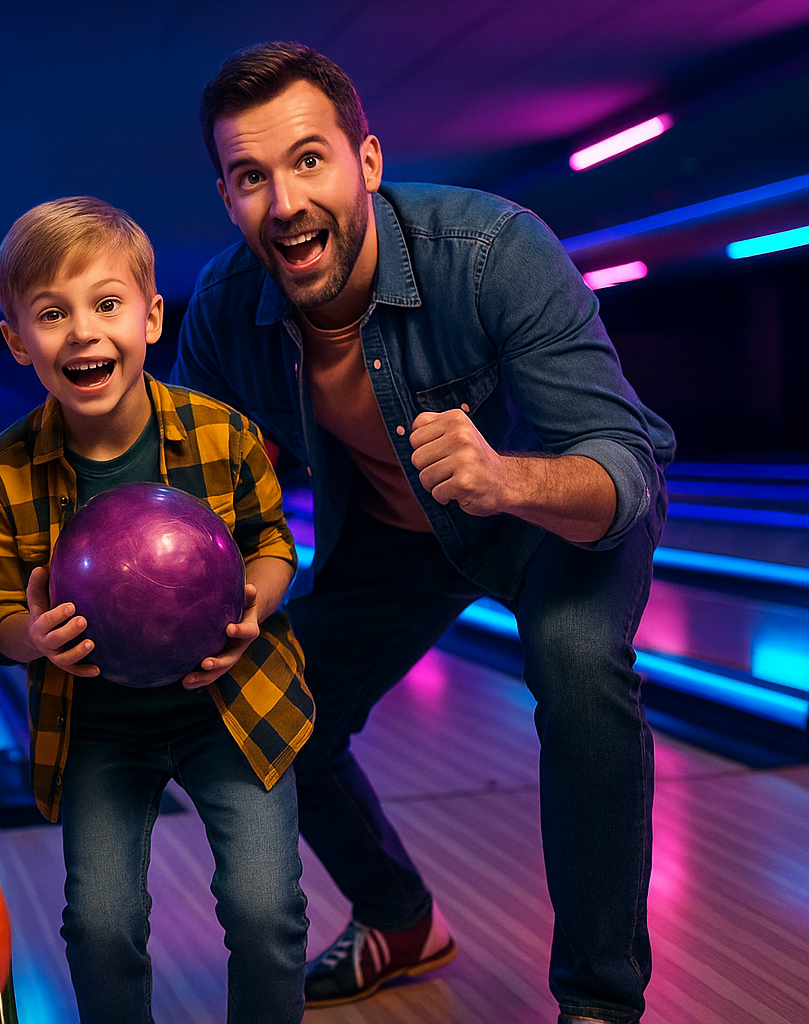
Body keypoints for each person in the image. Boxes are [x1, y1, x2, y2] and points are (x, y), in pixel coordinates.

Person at [173, 42, 675, 1024]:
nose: (284, 203)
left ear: (366, 162)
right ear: (227, 196)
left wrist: (502, 476)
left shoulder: (491, 252)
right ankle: (399, 918)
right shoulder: (229, 311)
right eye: (250, 178)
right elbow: (192, 499)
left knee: (578, 666)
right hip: (398, 539)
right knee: (264, 696)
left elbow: (622, 470)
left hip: (548, 520)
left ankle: (601, 1001)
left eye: (308, 161)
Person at [0, 196, 316, 1024]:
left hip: (231, 708)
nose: (84, 331)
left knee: (267, 913)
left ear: (152, 317)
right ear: (18, 340)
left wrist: (252, 610)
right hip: (96, 724)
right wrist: (36, 636)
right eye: (52, 314)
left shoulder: (224, 434)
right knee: (100, 925)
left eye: (107, 303)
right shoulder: (4, 472)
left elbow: (275, 543)